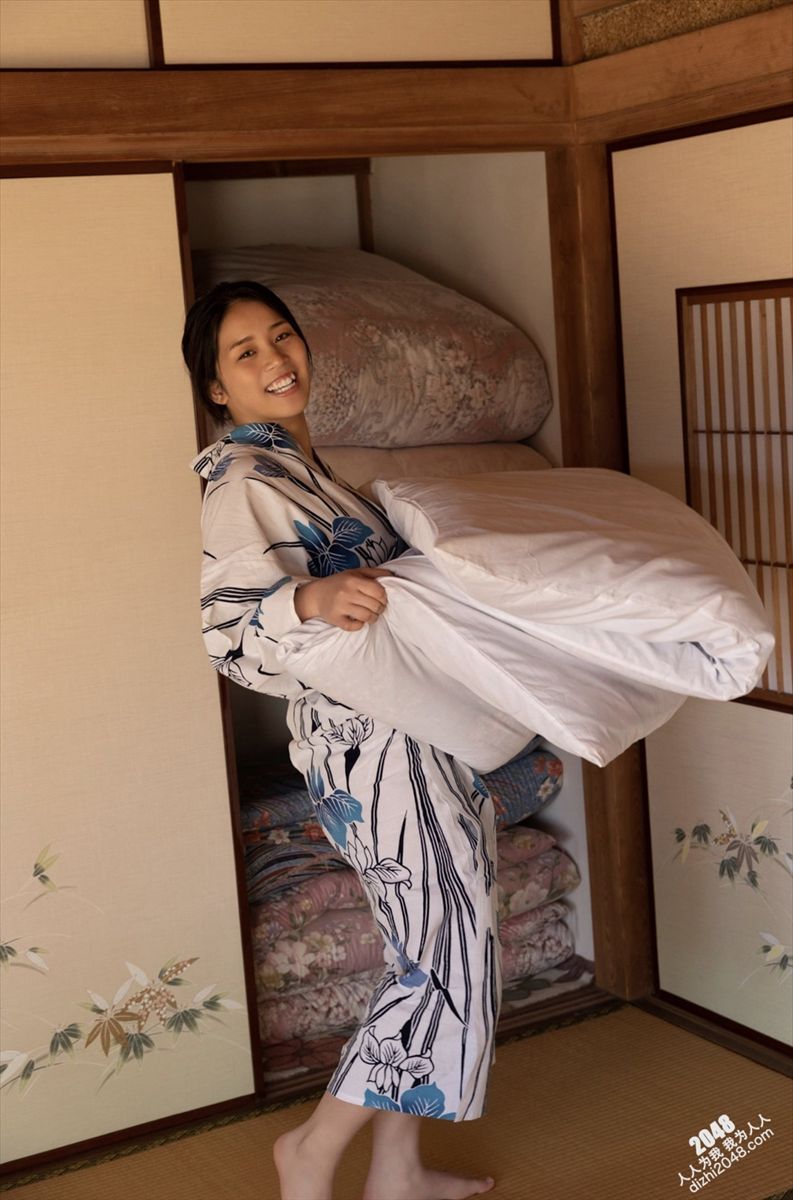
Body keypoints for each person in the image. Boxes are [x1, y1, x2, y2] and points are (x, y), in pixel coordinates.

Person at [182, 281, 500, 1200]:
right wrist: (309, 599)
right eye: (245, 352)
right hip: (372, 749)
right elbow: (226, 633)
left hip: (423, 731)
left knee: (426, 948)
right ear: (217, 388)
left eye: (282, 337)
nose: (276, 359)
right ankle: (313, 1151)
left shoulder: (310, 472)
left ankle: (396, 1169)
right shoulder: (243, 482)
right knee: (448, 950)